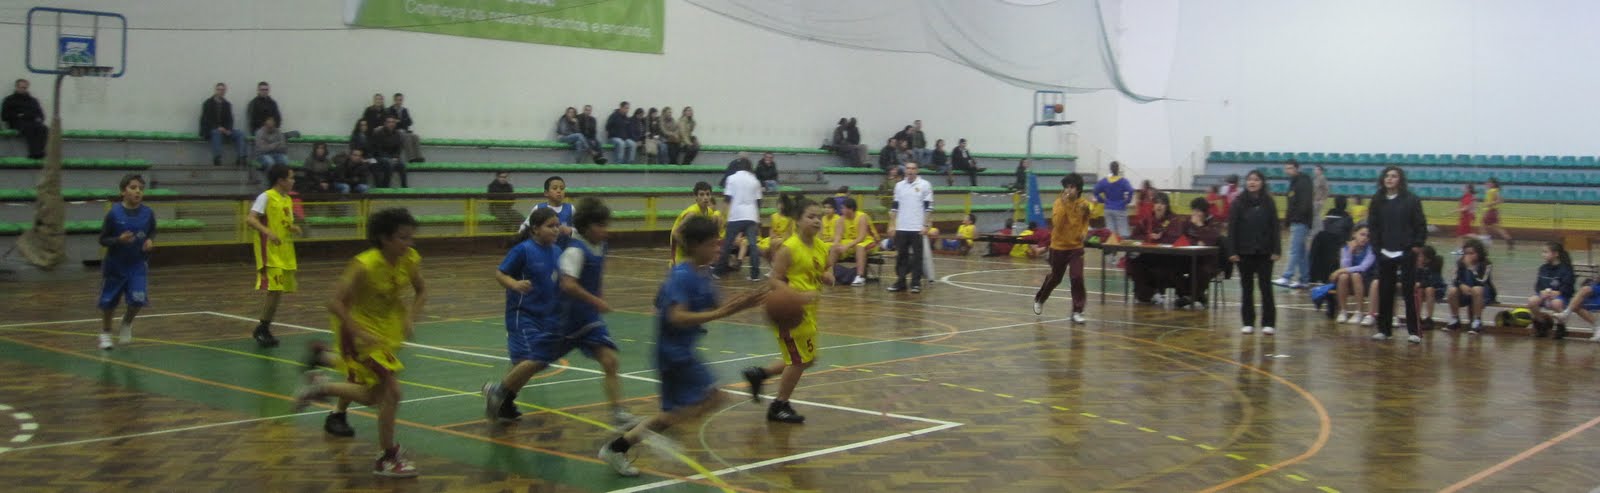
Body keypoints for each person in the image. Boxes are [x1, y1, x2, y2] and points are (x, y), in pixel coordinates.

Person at [598, 215, 768, 477]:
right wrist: (724, 312)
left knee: (675, 413)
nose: (718, 248)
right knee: (713, 398)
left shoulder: (703, 274)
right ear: (696, 246)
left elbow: (717, 305)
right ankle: (658, 435)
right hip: (673, 354)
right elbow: (676, 317)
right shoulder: (681, 275)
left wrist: (744, 301)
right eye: (712, 244)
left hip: (681, 352)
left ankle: (620, 446)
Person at [292, 208, 425, 478]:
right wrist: (359, 332)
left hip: (386, 332)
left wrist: (410, 318)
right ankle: (387, 456)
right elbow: (335, 302)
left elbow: (421, 290)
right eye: (403, 238)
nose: (409, 243)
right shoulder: (364, 265)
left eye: (411, 237)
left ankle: (320, 386)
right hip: (359, 334)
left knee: (375, 395)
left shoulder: (409, 258)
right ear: (384, 238)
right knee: (392, 393)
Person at [484, 198, 640, 427]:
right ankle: (499, 391)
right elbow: (568, 285)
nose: (605, 230)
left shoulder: (598, 246)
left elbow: (593, 278)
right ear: (587, 227)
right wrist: (596, 300)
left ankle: (619, 413)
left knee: (610, 360)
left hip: (587, 319)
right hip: (564, 321)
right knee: (536, 361)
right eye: (600, 225)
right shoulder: (574, 251)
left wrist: (597, 296)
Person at [742, 197, 832, 424]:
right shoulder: (789, 248)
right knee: (800, 361)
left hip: (810, 312)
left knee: (807, 359)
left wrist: (828, 275)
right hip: (791, 315)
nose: (817, 221)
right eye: (811, 217)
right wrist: (796, 297)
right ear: (798, 220)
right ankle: (779, 406)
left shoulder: (821, 246)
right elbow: (774, 280)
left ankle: (760, 374)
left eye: (819, 217)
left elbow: (826, 267)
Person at [95, 174, 156, 350]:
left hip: (137, 265)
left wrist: (150, 241)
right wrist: (118, 240)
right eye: (133, 187)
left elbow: (152, 231)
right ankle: (106, 333)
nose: (138, 191)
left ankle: (127, 323)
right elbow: (103, 239)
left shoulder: (148, 213)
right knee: (109, 302)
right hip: (115, 265)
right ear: (123, 191)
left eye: (141, 189)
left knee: (138, 300)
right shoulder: (114, 214)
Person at [1368, 166, 1428, 343]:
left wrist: (1416, 245)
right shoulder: (1377, 200)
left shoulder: (1411, 199)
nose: (1389, 179)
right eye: (1387, 176)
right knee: (1385, 292)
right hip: (1385, 252)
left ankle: (1414, 332)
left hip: (1406, 252)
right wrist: (1377, 248)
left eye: (1394, 176)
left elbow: (1420, 225)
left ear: (1400, 179)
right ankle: (1384, 330)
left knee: (1409, 292)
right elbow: (1373, 226)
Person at [245, 164, 301, 347]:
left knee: (278, 292)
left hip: (284, 251)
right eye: (290, 178)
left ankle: (264, 327)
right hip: (269, 251)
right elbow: (250, 219)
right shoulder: (266, 197)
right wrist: (267, 231)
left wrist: (292, 227)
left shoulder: (287, 199)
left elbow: (284, 222)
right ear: (280, 180)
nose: (293, 181)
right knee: (274, 290)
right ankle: (262, 328)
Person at [1226, 170, 1281, 336]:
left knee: (1266, 288)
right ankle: (1248, 322)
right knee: (1246, 288)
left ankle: (1269, 323)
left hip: (1265, 252)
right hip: (1244, 252)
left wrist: (1276, 249)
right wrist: (1232, 251)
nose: (1252, 182)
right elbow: (1232, 229)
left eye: (1256, 180)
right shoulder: (1238, 202)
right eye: (1250, 179)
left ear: (1262, 183)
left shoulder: (1269, 202)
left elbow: (1275, 227)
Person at [1033, 174, 1092, 322]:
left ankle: (1077, 311)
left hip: (1076, 247)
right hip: (1058, 247)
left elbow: (1086, 220)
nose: (1068, 190)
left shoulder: (1084, 204)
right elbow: (1057, 224)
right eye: (1066, 187)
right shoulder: (1058, 203)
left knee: (1077, 277)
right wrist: (1065, 206)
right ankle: (1040, 299)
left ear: (1078, 189)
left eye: (1072, 187)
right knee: (1055, 278)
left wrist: (1084, 232)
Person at [1128, 193, 1184, 304]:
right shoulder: (1147, 219)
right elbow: (1134, 236)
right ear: (1153, 205)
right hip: (1147, 254)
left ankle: (1155, 292)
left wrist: (1161, 237)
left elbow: (1177, 237)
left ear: (1167, 206)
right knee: (1133, 261)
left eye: (1162, 203)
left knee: (1161, 266)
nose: (1159, 206)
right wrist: (1148, 237)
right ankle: (1145, 294)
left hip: (1168, 256)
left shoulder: (1174, 219)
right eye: (1157, 203)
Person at [888, 162, 934, 293]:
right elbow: (895, 206)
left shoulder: (925, 185)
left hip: (917, 228)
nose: (910, 171)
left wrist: (925, 225)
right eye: (908, 168)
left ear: (917, 170)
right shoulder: (899, 186)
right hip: (902, 227)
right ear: (905, 170)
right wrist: (892, 224)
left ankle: (915, 283)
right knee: (901, 256)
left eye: (913, 168)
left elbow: (929, 207)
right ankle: (901, 281)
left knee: (917, 256)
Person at [717, 158, 763, 281]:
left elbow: (727, 199)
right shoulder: (755, 181)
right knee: (753, 245)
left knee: (727, 244)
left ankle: (718, 271)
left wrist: (722, 215)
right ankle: (754, 274)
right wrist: (758, 219)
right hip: (751, 216)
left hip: (736, 216)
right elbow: (758, 202)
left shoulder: (731, 178)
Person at [1174, 196, 1224, 308]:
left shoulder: (1214, 223)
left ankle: (1192, 297)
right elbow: (1181, 238)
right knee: (1173, 267)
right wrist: (1196, 241)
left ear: (1205, 212)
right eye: (1194, 210)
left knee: (1201, 270)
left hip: (1209, 260)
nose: (1195, 214)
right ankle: (1189, 295)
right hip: (1188, 257)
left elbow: (1210, 240)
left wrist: (1199, 226)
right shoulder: (1187, 222)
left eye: (1198, 211)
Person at [1275, 160, 1315, 289]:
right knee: (1301, 252)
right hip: (1296, 221)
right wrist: (1288, 221)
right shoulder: (1293, 182)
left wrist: (1297, 218)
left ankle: (1287, 276)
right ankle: (1304, 280)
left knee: (1293, 250)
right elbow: (1291, 203)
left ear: (1297, 168)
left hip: (1300, 221)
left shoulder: (1304, 181)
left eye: (1291, 168)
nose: (1288, 171)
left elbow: (1305, 203)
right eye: (1287, 168)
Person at [1444, 238, 1495, 334]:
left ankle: (1477, 321)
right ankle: (1455, 319)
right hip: (1466, 291)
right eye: (1466, 253)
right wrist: (1461, 285)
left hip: (1483, 293)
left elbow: (1482, 281)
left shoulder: (1486, 264)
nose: (1468, 256)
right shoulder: (1460, 263)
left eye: (1472, 253)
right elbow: (1454, 279)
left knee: (1477, 289)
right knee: (1452, 290)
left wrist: (1471, 268)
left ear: (1479, 253)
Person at [1527, 242, 1576, 339]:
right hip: (1545, 296)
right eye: (1543, 252)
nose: (1543, 254)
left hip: (1560, 297)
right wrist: (1541, 292)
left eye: (1546, 252)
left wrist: (1558, 292)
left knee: (1556, 303)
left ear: (1556, 254)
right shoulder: (1543, 268)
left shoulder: (1566, 269)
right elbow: (1538, 285)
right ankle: (1541, 324)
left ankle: (1561, 327)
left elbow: (1569, 288)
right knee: (1532, 301)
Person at [670, 182, 724, 265]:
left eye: (708, 194)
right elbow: (675, 233)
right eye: (701, 195)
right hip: (682, 248)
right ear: (696, 197)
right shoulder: (692, 213)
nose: (705, 197)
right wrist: (688, 249)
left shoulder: (709, 212)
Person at [1331, 225, 1375, 325]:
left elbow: (1363, 267)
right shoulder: (1346, 248)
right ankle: (1343, 311)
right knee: (1343, 277)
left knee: (1355, 275)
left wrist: (1339, 271)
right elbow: (1344, 266)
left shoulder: (1371, 249)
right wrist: (1350, 251)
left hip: (1366, 280)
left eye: (1368, 236)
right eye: (1362, 234)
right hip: (1349, 281)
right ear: (1354, 234)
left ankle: (1359, 312)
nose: (1365, 238)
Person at [832, 197, 880, 287]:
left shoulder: (862, 217)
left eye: (843, 208)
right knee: (834, 247)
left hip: (869, 241)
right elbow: (838, 235)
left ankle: (860, 276)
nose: (841, 210)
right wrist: (836, 244)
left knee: (860, 246)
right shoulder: (841, 219)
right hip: (852, 242)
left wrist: (846, 246)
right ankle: (829, 272)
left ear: (851, 209)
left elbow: (861, 237)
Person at [198, 83, 247, 167]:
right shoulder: (208, 103)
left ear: (225, 91)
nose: (221, 92)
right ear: (215, 90)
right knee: (216, 132)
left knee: (240, 133)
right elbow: (206, 120)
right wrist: (218, 128)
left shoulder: (227, 104)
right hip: (210, 130)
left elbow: (230, 120)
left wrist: (228, 129)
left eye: (222, 90)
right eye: (219, 89)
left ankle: (241, 157)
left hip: (224, 130)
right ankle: (217, 158)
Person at [519, 176, 573, 246]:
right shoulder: (538, 208)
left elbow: (579, 230)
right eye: (555, 188)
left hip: (565, 248)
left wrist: (570, 230)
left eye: (562, 188)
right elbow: (524, 228)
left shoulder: (571, 208)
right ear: (546, 193)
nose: (559, 191)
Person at [3, 78, 47, 159]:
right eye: (21, 87)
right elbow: (4, 116)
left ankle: (40, 152)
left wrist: (38, 119)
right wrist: (18, 116)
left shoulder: (33, 101)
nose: (23, 89)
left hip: (33, 122)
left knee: (43, 128)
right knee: (30, 128)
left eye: (25, 88)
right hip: (17, 123)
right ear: (16, 87)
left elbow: (41, 115)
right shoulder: (9, 100)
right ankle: (35, 153)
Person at [1093, 161, 1135, 240]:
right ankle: (1124, 246)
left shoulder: (1104, 181)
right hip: (1120, 208)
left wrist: (1102, 200)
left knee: (1110, 233)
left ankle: (1111, 246)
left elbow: (1095, 191)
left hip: (1108, 208)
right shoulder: (1123, 181)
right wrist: (1127, 201)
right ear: (1118, 169)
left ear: (1110, 169)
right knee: (1123, 232)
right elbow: (1131, 190)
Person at [387, 93, 426, 163]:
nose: (399, 102)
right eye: (397, 100)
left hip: (404, 131)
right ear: (394, 100)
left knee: (415, 137)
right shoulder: (389, 110)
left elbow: (410, 122)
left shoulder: (404, 110)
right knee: (407, 137)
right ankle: (411, 158)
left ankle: (419, 156)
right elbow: (392, 123)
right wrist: (402, 121)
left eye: (400, 100)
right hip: (394, 132)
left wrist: (399, 121)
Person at [1414, 245, 1446, 331]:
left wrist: (1420, 283)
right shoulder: (1417, 267)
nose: (1418, 258)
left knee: (1429, 289)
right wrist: (1419, 269)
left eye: (1420, 256)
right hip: (1423, 290)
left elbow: (1431, 282)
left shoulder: (1434, 267)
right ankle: (1417, 317)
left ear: (1427, 259)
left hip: (1437, 289)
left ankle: (1429, 319)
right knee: (1420, 290)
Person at [369, 116, 407, 188]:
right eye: (389, 122)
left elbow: (399, 148)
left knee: (402, 165)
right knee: (389, 163)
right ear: (385, 123)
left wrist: (395, 157)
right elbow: (378, 149)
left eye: (393, 122)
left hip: (392, 157)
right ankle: (385, 186)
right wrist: (389, 158)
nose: (391, 124)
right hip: (379, 157)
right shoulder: (378, 133)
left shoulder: (397, 134)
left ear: (395, 124)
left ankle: (404, 186)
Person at [1479, 177, 1512, 249]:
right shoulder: (1494, 190)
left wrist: (1490, 204)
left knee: (1482, 226)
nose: (1487, 184)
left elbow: (1500, 200)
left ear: (1493, 184)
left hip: (1490, 211)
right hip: (1494, 211)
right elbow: (1500, 200)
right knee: (1496, 227)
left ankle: (1485, 242)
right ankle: (1508, 238)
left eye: (1489, 182)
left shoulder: (1492, 191)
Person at [1453, 184, 1477, 254]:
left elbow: (1466, 208)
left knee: (1462, 234)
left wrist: (1455, 210)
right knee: (1463, 234)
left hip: (1466, 218)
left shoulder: (1468, 197)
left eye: (1464, 188)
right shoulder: (1467, 197)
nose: (1463, 189)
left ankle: (1482, 239)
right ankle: (1461, 249)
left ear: (1468, 189)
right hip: (1465, 217)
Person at [1310, 165, 1331, 237]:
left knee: (1315, 216)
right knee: (1315, 216)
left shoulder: (1322, 178)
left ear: (1320, 171)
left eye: (1316, 169)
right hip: (1314, 200)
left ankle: (1318, 231)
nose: (1314, 171)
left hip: (1318, 200)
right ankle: (1319, 230)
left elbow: (1327, 190)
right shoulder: (1316, 178)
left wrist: (1323, 200)